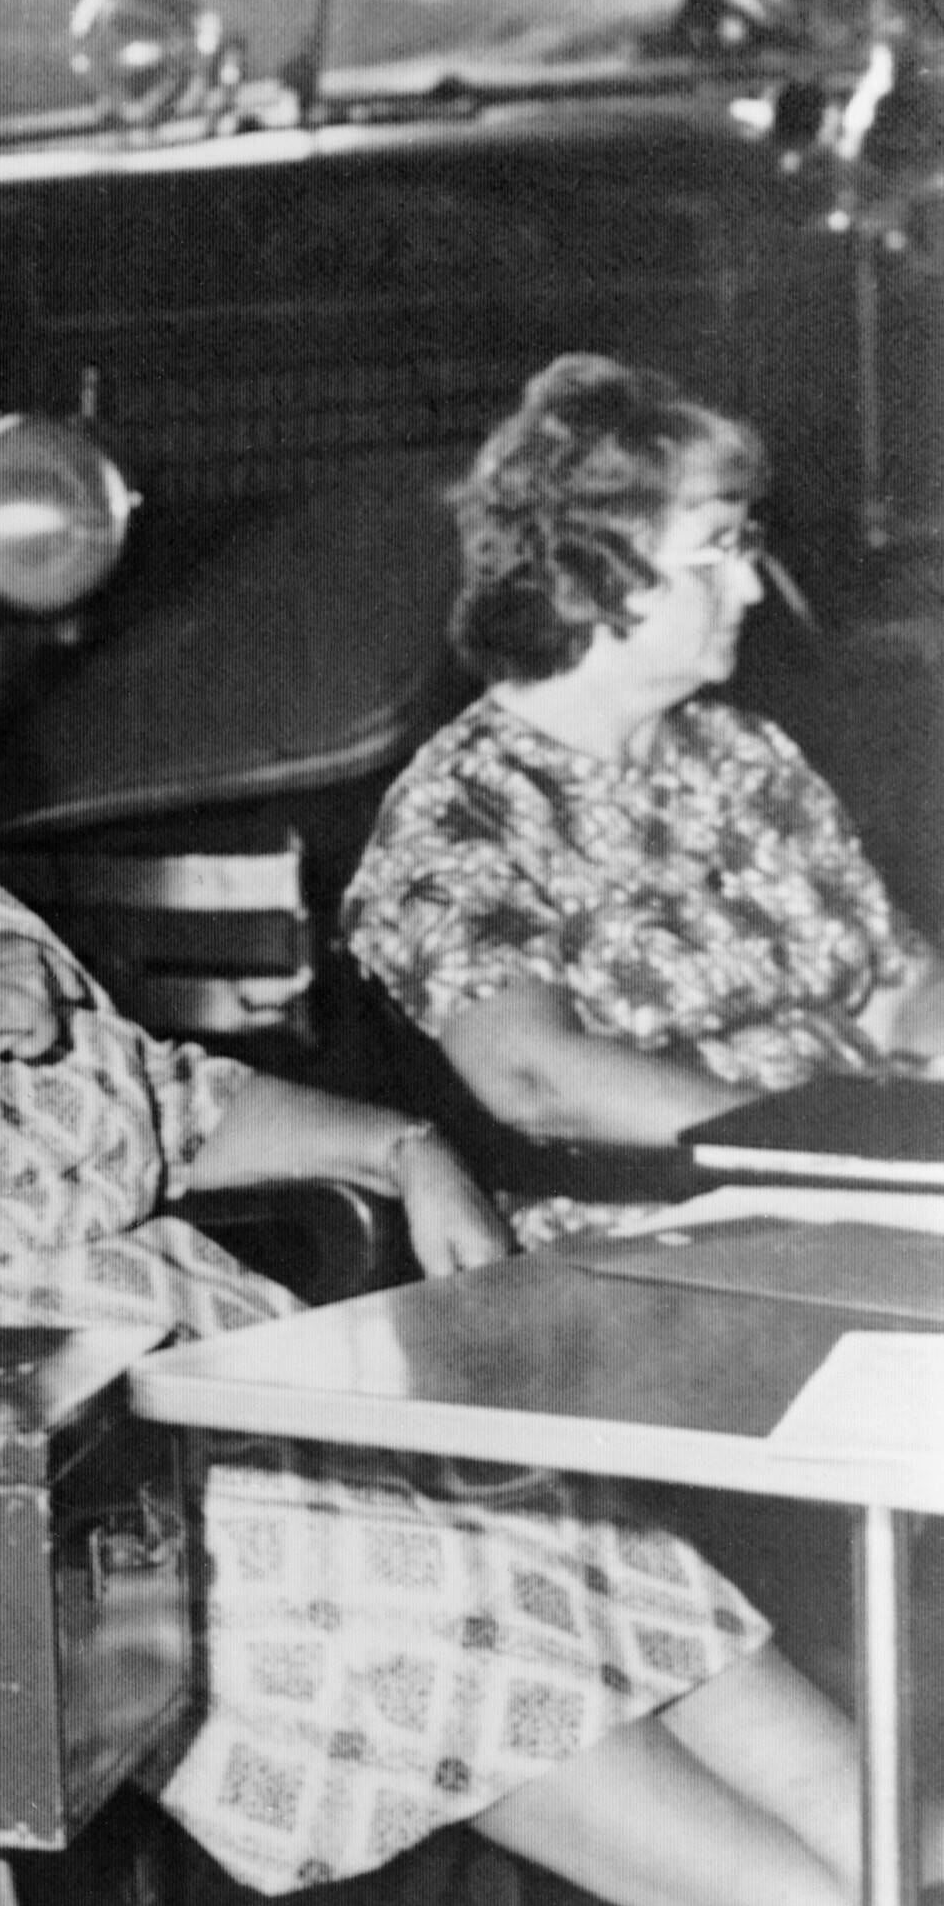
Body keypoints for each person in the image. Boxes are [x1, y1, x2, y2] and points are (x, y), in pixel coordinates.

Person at [0, 526, 917, 1906]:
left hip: (223, 1376)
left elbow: (176, 1105)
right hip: (42, 1476)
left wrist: (405, 1144)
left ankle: (902, 1890)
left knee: (576, 1534)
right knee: (440, 1599)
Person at [342, 353, 944, 1242]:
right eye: (715, 554)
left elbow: (893, 993)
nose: (747, 587)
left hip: (860, 1189)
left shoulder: (740, 755)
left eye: (746, 549)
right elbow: (533, 1077)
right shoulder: (463, 807)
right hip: (660, 1234)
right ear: (595, 575)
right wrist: (810, 1144)